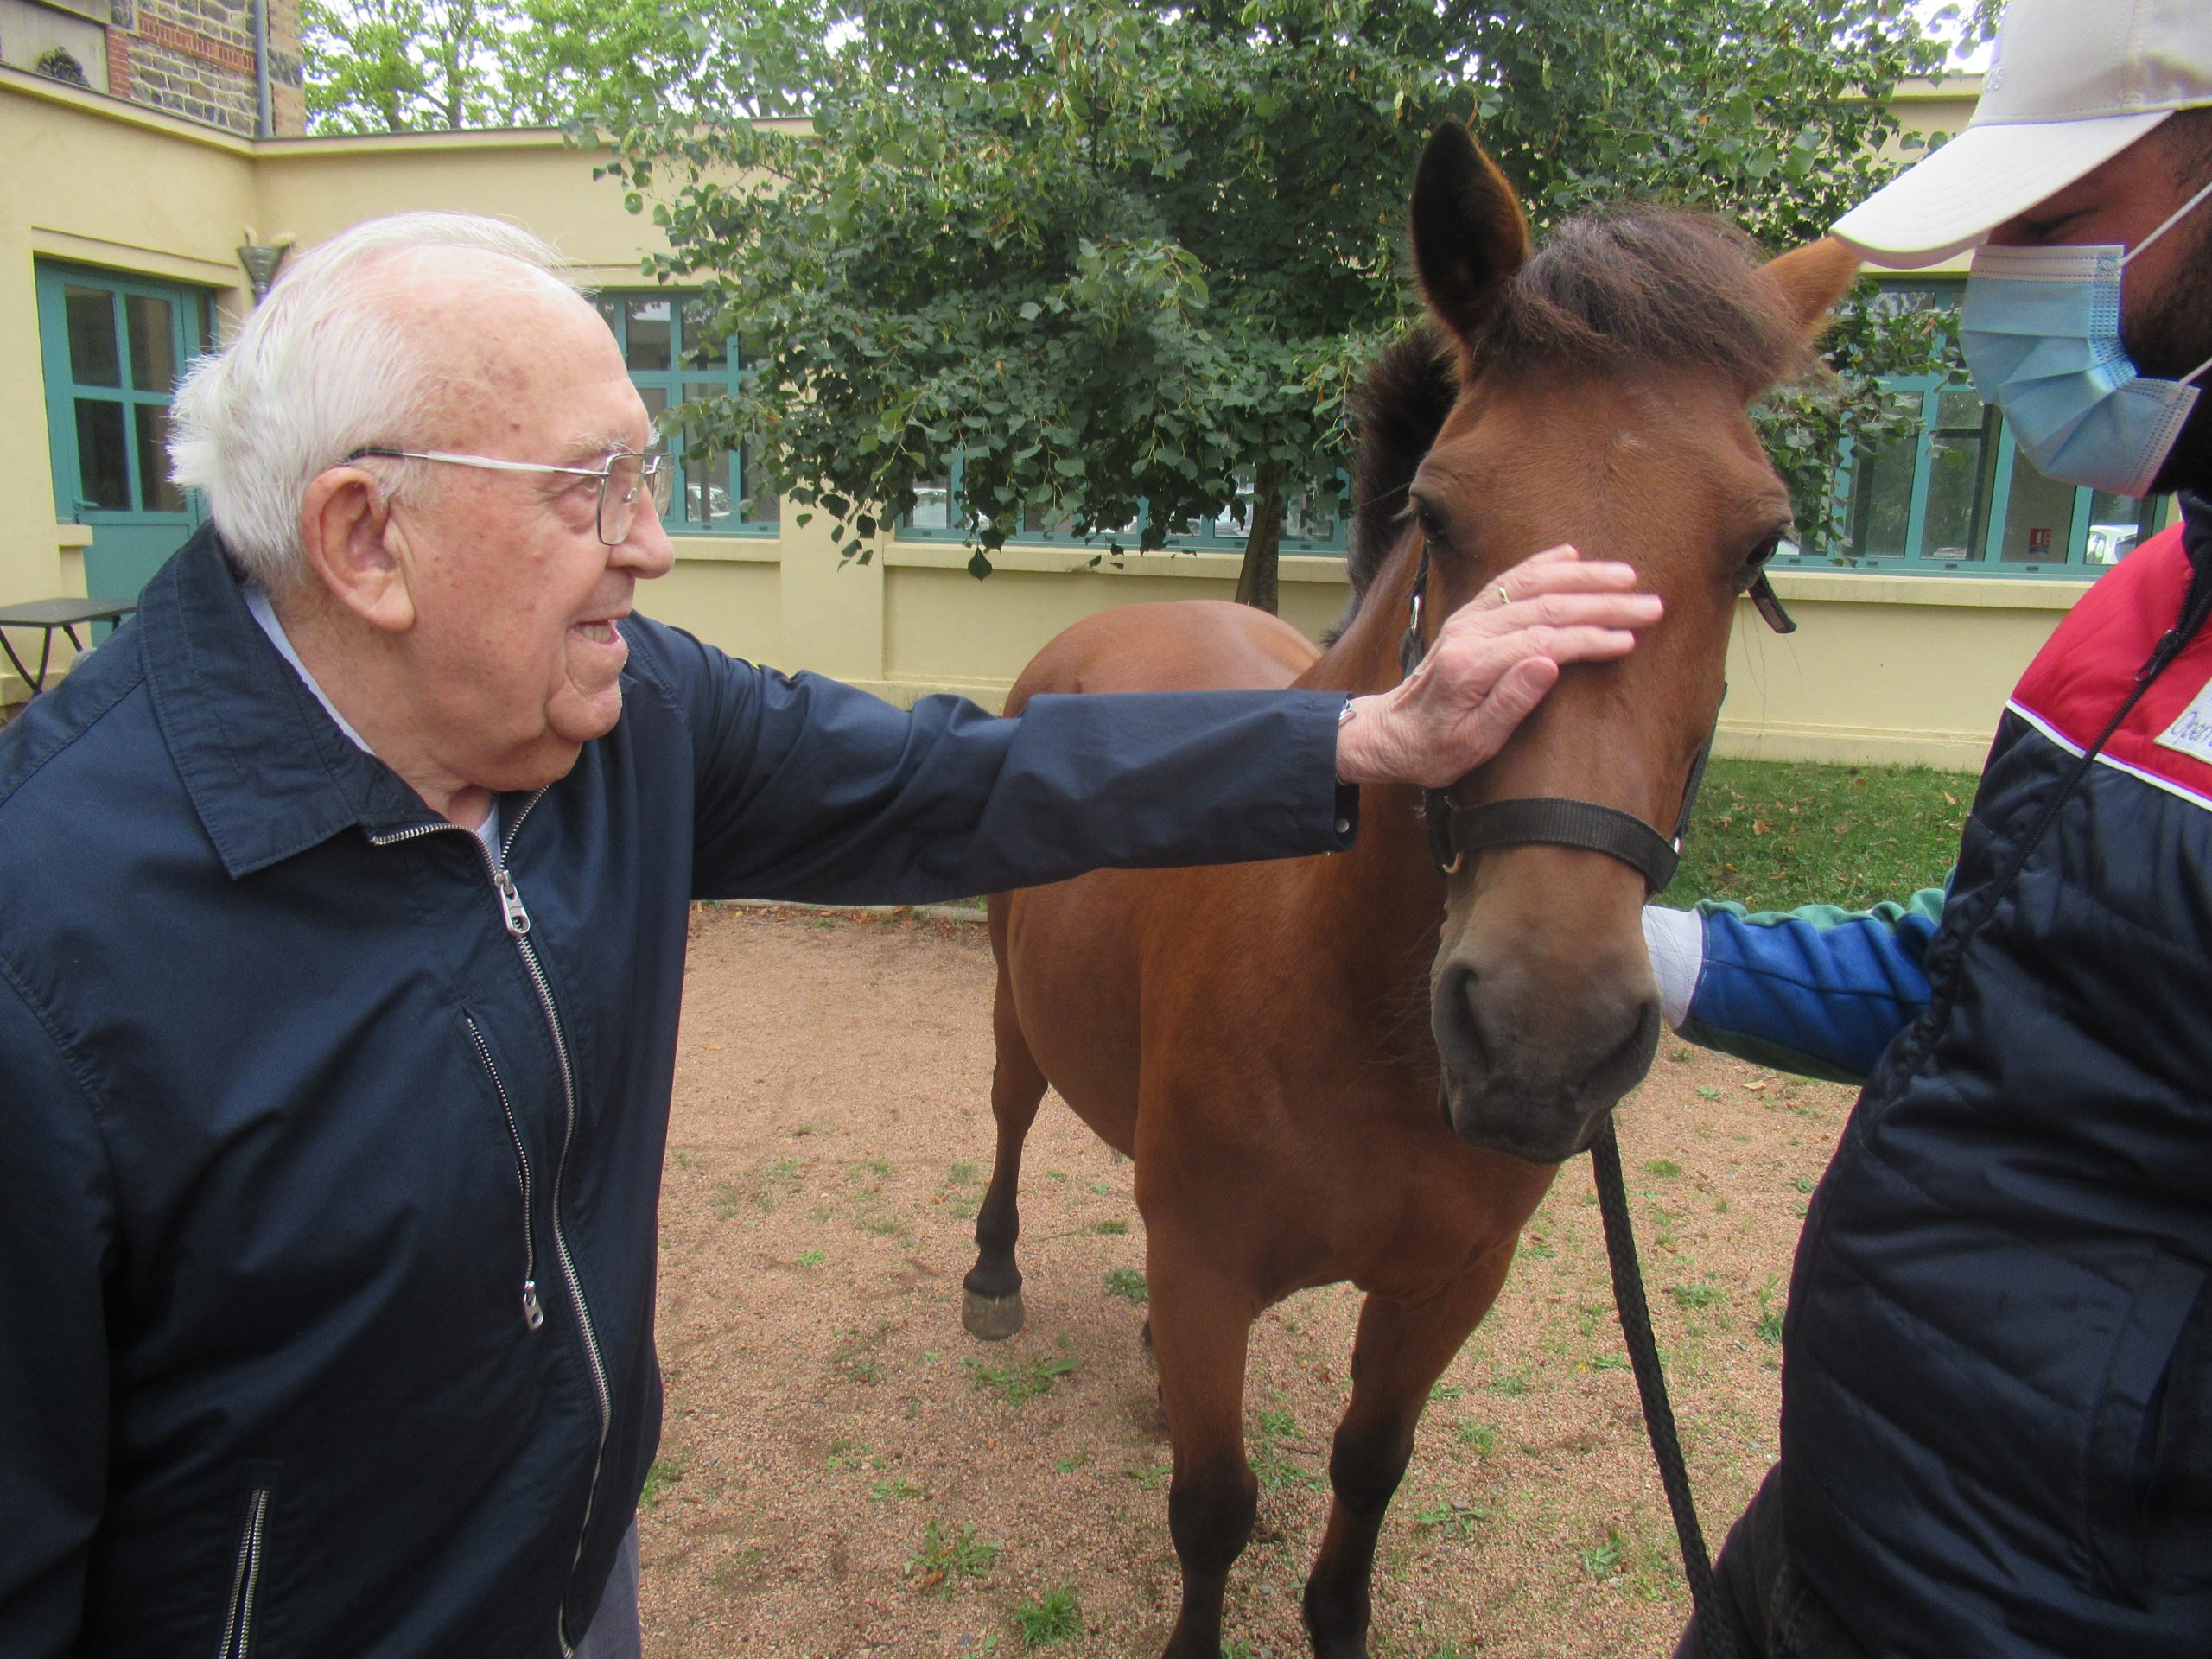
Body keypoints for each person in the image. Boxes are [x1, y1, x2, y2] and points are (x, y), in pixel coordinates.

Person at [0, 213, 1660, 1657]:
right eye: (594, 489)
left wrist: (1359, 740)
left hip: (577, 1577)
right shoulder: (44, 952)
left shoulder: (620, 724)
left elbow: (959, 782)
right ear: (369, 539)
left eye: (647, 475)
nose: (649, 542)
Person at [1648, 1, 2212, 1654]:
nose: (2002, 294)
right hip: (1836, 1530)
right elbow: (1987, 979)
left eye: (2049, 224)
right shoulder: (2142, 606)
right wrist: (1652, 950)